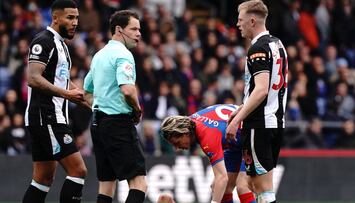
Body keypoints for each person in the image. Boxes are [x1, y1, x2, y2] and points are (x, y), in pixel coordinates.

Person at [23, 1, 88, 203]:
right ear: (55, 17)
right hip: (46, 117)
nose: (74, 22)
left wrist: (95, 104)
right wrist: (65, 94)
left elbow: (63, 82)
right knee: (78, 170)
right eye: (70, 18)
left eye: (76, 18)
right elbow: (33, 78)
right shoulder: (43, 41)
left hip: (51, 117)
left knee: (43, 178)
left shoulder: (61, 45)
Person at [226, 1, 288, 203]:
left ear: (252, 21)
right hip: (276, 122)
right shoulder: (278, 45)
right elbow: (269, 89)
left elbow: (261, 89)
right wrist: (242, 108)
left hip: (258, 125)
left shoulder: (257, 49)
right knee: (256, 184)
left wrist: (237, 120)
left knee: (261, 187)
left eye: (241, 19)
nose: (237, 24)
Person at [83, 10, 146, 203]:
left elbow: (86, 93)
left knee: (106, 186)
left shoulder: (99, 55)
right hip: (118, 123)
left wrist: (103, 109)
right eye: (134, 29)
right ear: (119, 29)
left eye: (139, 29)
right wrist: (137, 110)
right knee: (139, 184)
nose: (139, 33)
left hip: (98, 124)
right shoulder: (123, 55)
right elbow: (128, 90)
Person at [161, 104, 256, 203]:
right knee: (219, 189)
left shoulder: (206, 135)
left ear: (185, 132)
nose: (177, 148)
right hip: (236, 141)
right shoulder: (191, 123)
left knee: (243, 186)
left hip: (252, 135)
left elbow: (222, 177)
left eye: (177, 143)